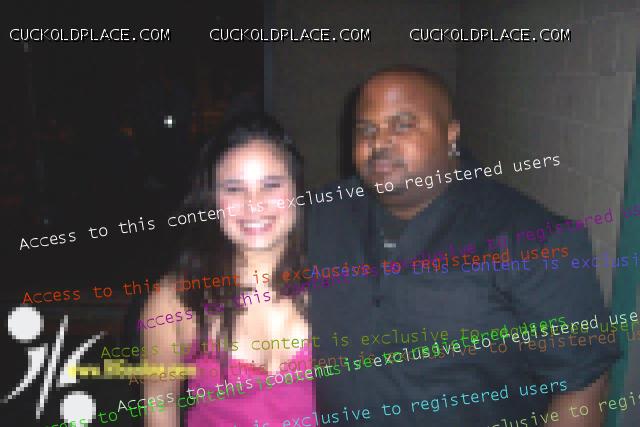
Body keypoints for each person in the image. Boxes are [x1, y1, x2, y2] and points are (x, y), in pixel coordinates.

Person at [307, 66, 619, 426]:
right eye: (366, 129)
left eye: (403, 125)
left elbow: (583, 385)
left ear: (451, 133)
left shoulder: (534, 239)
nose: (379, 143)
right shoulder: (321, 216)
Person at [142, 114, 313, 426]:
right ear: (212, 200)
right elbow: (160, 404)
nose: (253, 204)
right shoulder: (174, 299)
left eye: (271, 185)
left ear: (297, 189)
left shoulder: (337, 279)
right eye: (234, 188)